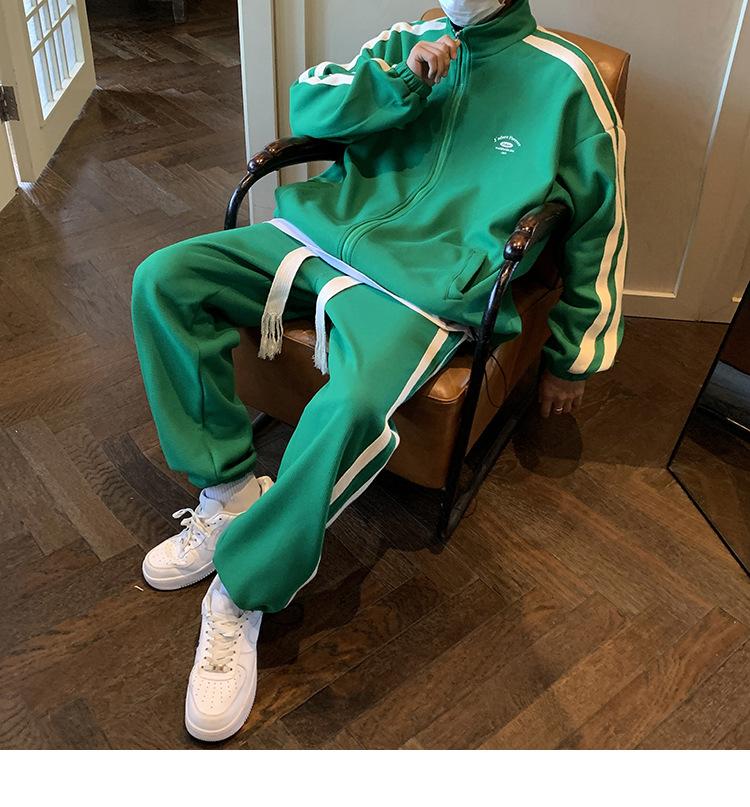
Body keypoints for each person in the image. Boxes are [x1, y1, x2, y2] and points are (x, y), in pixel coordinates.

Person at [131, 0, 627, 742]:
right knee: (162, 279)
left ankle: (243, 588)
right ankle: (229, 490)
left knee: (352, 405)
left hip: (421, 290)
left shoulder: (568, 81)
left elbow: (600, 226)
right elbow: (310, 105)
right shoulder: (407, 39)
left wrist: (576, 354)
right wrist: (401, 81)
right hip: (316, 236)